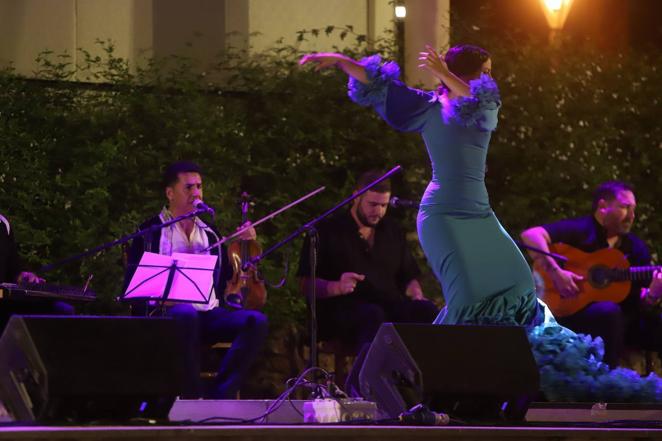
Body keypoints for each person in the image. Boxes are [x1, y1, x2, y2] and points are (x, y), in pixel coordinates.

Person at [300, 45, 662, 402]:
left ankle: (509, 376)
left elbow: (480, 103)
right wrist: (338, 61)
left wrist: (444, 74)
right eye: (484, 70)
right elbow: (379, 83)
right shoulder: (427, 108)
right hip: (441, 216)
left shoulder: (482, 108)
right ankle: (436, 384)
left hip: (480, 214)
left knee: (519, 285)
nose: (490, 77)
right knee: (468, 298)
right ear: (465, 72)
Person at [125, 161, 268, 399]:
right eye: (189, 187)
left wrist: (246, 244)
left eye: (199, 187)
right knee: (185, 313)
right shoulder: (149, 231)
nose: (196, 193)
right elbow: (134, 284)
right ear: (170, 193)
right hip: (167, 316)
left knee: (256, 321)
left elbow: (225, 283)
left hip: (207, 314)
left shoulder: (210, 233)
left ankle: (220, 393)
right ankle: (191, 395)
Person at [520, 181, 662, 367]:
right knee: (608, 312)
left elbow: (639, 301)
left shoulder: (635, 249)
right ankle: (606, 385)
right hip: (568, 312)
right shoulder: (580, 229)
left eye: (633, 209)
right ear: (603, 207)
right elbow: (530, 235)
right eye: (625, 207)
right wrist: (556, 273)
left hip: (623, 321)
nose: (632, 216)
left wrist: (652, 295)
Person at [297, 171, 438, 351]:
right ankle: (368, 377)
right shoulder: (326, 230)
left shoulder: (392, 231)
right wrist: (337, 287)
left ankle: (426, 374)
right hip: (345, 310)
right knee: (373, 315)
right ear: (356, 196)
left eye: (384, 205)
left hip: (389, 306)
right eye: (372, 204)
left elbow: (409, 274)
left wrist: (417, 294)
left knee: (427, 311)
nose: (378, 211)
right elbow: (305, 284)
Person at [0, 214, 74, 334]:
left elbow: (13, 270)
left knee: (62, 310)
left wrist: (23, 277)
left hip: (3, 298)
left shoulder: (3, 224)